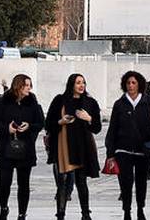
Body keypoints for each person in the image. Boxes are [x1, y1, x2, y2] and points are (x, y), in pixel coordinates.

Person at [46, 73, 102, 220]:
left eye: (83, 82)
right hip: (63, 146)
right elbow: (48, 124)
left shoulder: (90, 102)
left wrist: (88, 118)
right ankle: (60, 213)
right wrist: (61, 122)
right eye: (78, 83)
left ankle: (85, 213)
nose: (81, 85)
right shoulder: (60, 100)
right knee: (62, 182)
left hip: (82, 147)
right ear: (71, 84)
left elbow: (97, 128)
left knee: (81, 182)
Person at [106, 70, 150, 220]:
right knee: (125, 183)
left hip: (143, 150)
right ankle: (126, 211)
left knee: (141, 182)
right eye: (128, 83)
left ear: (139, 84)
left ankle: (141, 208)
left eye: (134, 82)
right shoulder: (119, 104)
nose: (131, 85)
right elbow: (113, 128)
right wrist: (110, 153)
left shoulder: (149, 103)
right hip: (123, 150)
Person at [0, 74, 43, 220]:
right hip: (6, 148)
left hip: (25, 148)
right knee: (4, 182)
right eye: (26, 85)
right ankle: (4, 208)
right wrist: (6, 129)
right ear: (18, 86)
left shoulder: (32, 102)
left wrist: (29, 126)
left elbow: (40, 122)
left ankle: (22, 213)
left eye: (30, 85)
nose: (29, 88)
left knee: (24, 183)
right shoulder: (4, 101)